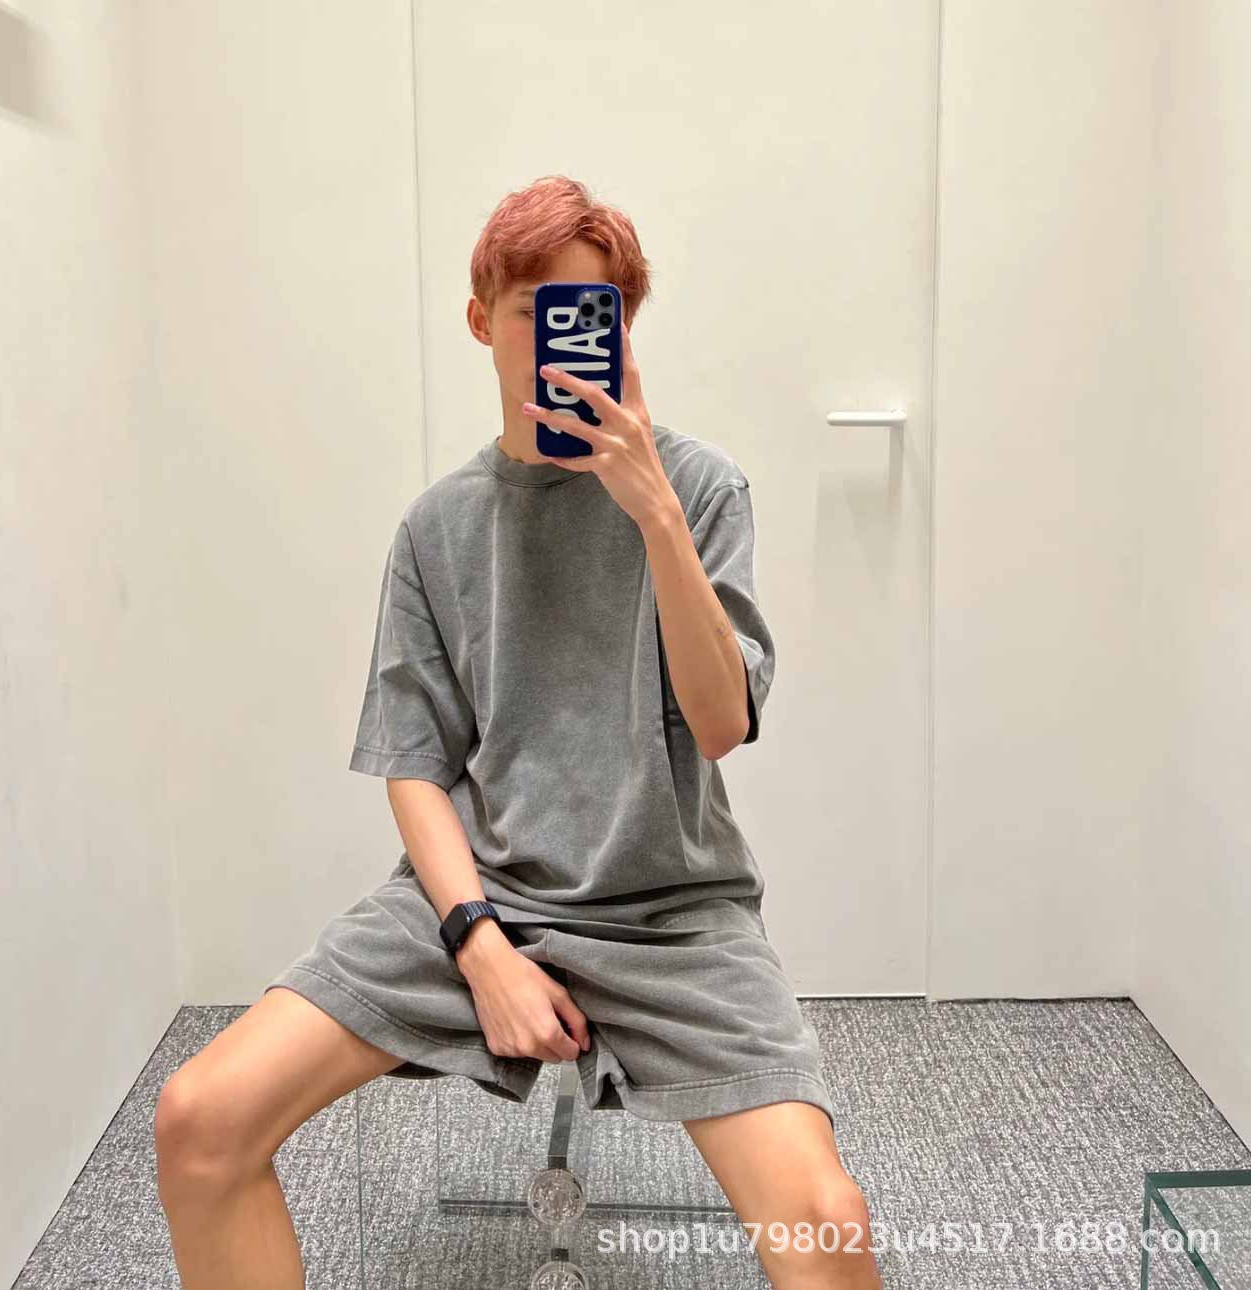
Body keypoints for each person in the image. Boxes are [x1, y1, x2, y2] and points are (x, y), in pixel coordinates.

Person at [154, 175, 883, 1290]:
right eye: (533, 311)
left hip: (670, 910)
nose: (559, 343)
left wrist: (654, 514)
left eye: (591, 316)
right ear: (478, 319)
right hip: (475, 895)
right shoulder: (439, 528)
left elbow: (722, 724)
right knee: (198, 1121)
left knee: (829, 1221)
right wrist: (479, 942)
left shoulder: (697, 489)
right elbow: (415, 764)